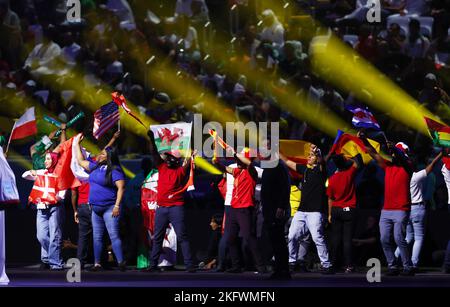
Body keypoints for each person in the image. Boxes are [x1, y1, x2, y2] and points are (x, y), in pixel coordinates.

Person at [361, 133, 415, 276]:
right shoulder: (388, 166)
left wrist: (396, 150)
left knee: (398, 238)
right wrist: (363, 139)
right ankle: (392, 266)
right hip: (386, 210)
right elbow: (372, 153)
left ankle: (407, 266)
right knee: (384, 238)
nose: (393, 153)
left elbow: (403, 159)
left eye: (397, 152)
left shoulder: (407, 166)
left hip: (401, 209)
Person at [147, 129, 196, 273]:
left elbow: (188, 162)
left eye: (169, 158)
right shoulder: (162, 166)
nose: (167, 159)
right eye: (167, 157)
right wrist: (151, 139)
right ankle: (153, 265)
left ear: (175, 160)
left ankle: (189, 265)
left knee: (182, 236)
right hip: (162, 207)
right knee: (158, 237)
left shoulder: (180, 170)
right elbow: (154, 153)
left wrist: (192, 156)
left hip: (176, 207)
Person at [74, 135, 126, 272]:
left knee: (113, 235)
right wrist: (78, 145)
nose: (99, 155)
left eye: (102, 154)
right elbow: (80, 161)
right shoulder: (95, 167)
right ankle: (97, 264)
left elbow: (121, 188)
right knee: (97, 237)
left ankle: (121, 262)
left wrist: (116, 206)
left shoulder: (115, 170)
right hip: (95, 209)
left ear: (108, 157)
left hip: (110, 208)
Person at [281, 144, 334, 274]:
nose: (308, 158)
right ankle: (292, 262)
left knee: (317, 238)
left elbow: (322, 161)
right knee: (292, 236)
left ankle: (326, 265)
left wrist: (317, 153)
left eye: (311, 156)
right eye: (308, 156)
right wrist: (275, 150)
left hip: (315, 212)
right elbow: (287, 162)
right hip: (301, 211)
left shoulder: (321, 170)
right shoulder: (304, 170)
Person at [213, 147, 266, 274]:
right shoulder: (238, 171)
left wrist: (235, 153)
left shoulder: (251, 171)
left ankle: (261, 266)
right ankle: (236, 266)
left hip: (245, 208)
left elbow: (249, 163)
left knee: (249, 237)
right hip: (233, 208)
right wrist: (217, 163)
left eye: (240, 157)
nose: (237, 160)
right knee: (231, 238)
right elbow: (225, 169)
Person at [394, 151, 443, 272]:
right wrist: (440, 155)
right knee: (419, 237)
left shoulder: (402, 177)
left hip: (406, 209)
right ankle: (414, 263)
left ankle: (395, 258)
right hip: (418, 208)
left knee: (408, 236)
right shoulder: (415, 176)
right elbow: (431, 165)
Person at [22, 151, 65, 270]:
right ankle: (53, 257)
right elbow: (24, 176)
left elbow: (62, 192)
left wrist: (57, 197)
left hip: (55, 207)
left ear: (54, 160)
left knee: (55, 235)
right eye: (45, 159)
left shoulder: (59, 174)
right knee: (41, 236)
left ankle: (55, 262)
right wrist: (32, 171)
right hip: (41, 208)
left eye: (48, 159)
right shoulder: (41, 173)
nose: (45, 161)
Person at [260, 141, 291, 280]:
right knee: (274, 240)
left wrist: (281, 207)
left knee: (279, 240)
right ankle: (279, 269)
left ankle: (284, 270)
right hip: (268, 209)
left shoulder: (279, 166)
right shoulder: (267, 166)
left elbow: (285, 188)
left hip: (276, 209)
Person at [327, 154, 361, 273]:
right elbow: (357, 163)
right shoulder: (349, 173)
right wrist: (349, 158)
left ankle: (334, 264)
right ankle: (349, 266)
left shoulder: (331, 179)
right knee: (347, 240)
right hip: (349, 210)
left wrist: (330, 214)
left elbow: (330, 198)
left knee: (335, 239)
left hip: (336, 210)